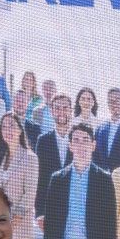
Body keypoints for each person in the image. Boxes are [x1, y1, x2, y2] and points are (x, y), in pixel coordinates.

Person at [0, 112, 39, 239]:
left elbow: (29, 195)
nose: (8, 130)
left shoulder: (30, 157)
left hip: (18, 234)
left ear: (20, 130)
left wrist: (10, 224)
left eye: (12, 125)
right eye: (4, 127)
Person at [32, 91, 75, 219]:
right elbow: (39, 178)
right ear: (51, 111)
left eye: (65, 108)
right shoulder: (43, 140)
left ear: (71, 110)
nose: (61, 112)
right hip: (49, 209)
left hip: (75, 209)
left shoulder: (80, 139)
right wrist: (39, 213)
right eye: (57, 108)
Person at [94, 88, 120, 171]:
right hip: (100, 180)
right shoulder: (100, 129)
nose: (114, 103)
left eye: (117, 100)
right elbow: (95, 156)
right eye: (111, 101)